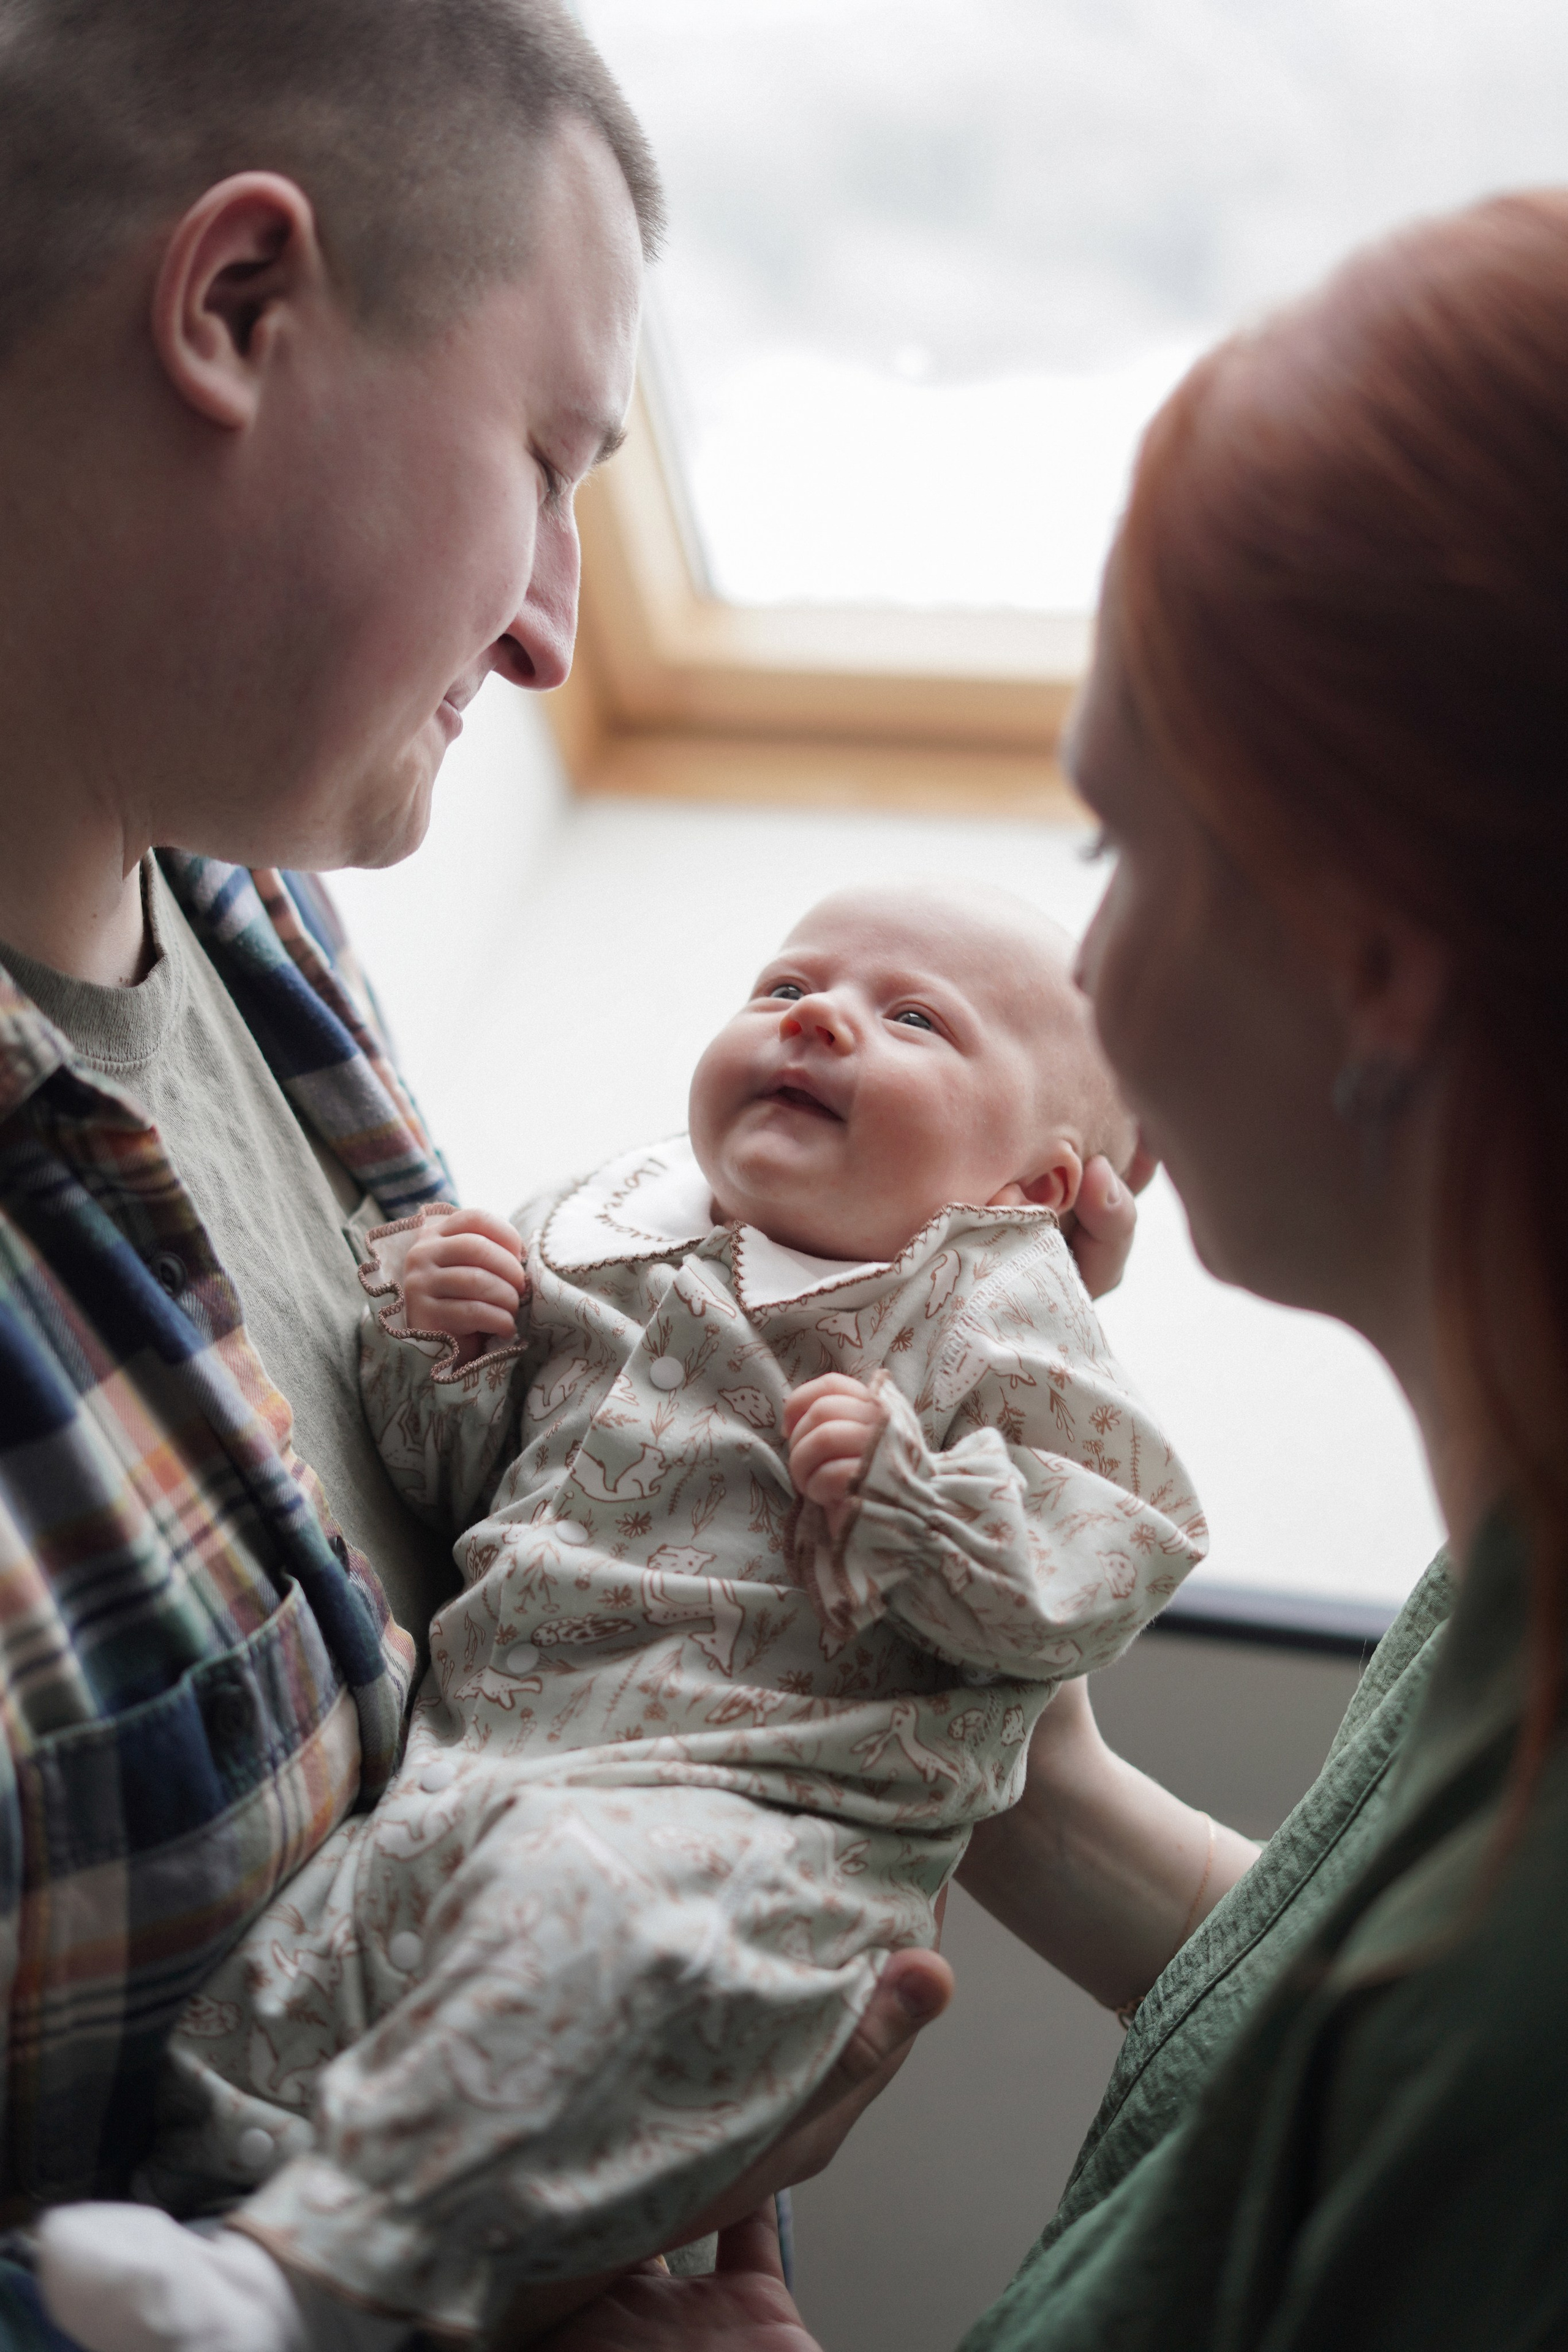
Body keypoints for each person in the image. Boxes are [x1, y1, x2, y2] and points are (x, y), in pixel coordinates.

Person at [0, 5, 1145, 2342]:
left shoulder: (275, 929)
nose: (548, 628)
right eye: (546, 456)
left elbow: (536, 1524)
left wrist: (916, 1359)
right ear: (235, 307)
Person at [513, 188, 1568, 2352]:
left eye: (1121, 848)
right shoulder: (1509, 1588)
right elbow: (1336, 2010)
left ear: (1370, 964)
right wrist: (1023, 1754)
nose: (1085, 958)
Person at [37, 882, 1204, 2347]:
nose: (819, 1017)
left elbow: (1113, 1536)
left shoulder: (990, 1305)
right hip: (482, 1764)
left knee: (583, 1942)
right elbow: (452, 1489)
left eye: (914, 1021)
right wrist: (436, 1341)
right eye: (784, 986)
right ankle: (223, 2254)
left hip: (752, 1814)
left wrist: (913, 1503)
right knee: (301, 1977)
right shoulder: (602, 1231)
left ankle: (322, 2275)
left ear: (1032, 1187)